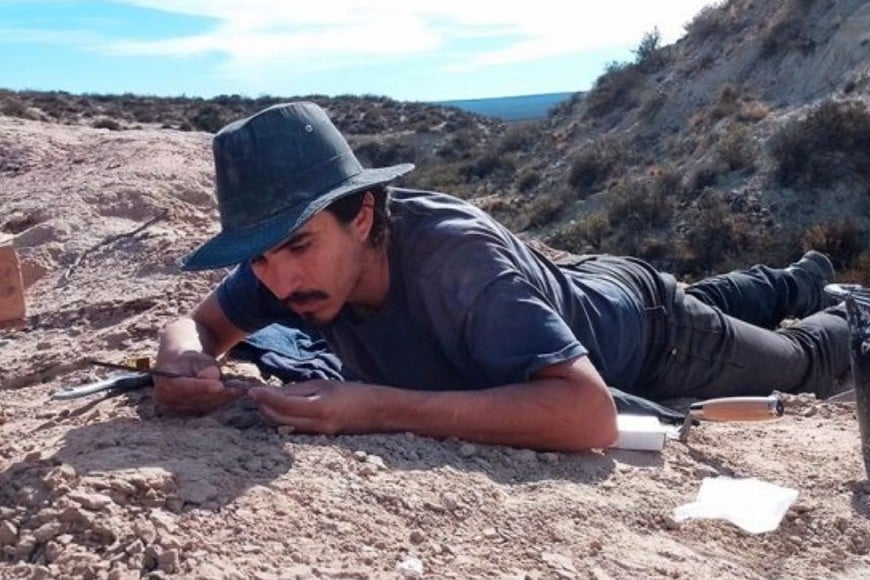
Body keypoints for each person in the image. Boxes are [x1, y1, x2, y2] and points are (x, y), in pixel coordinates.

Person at [154, 101, 850, 452]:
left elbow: (587, 415)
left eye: (297, 245)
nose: (277, 282)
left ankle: (846, 306)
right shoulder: (294, 270)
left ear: (362, 217)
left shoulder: (460, 266)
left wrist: (374, 404)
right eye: (260, 257)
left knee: (801, 363)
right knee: (710, 301)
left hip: (652, 337)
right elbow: (199, 324)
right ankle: (793, 277)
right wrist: (182, 355)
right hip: (584, 287)